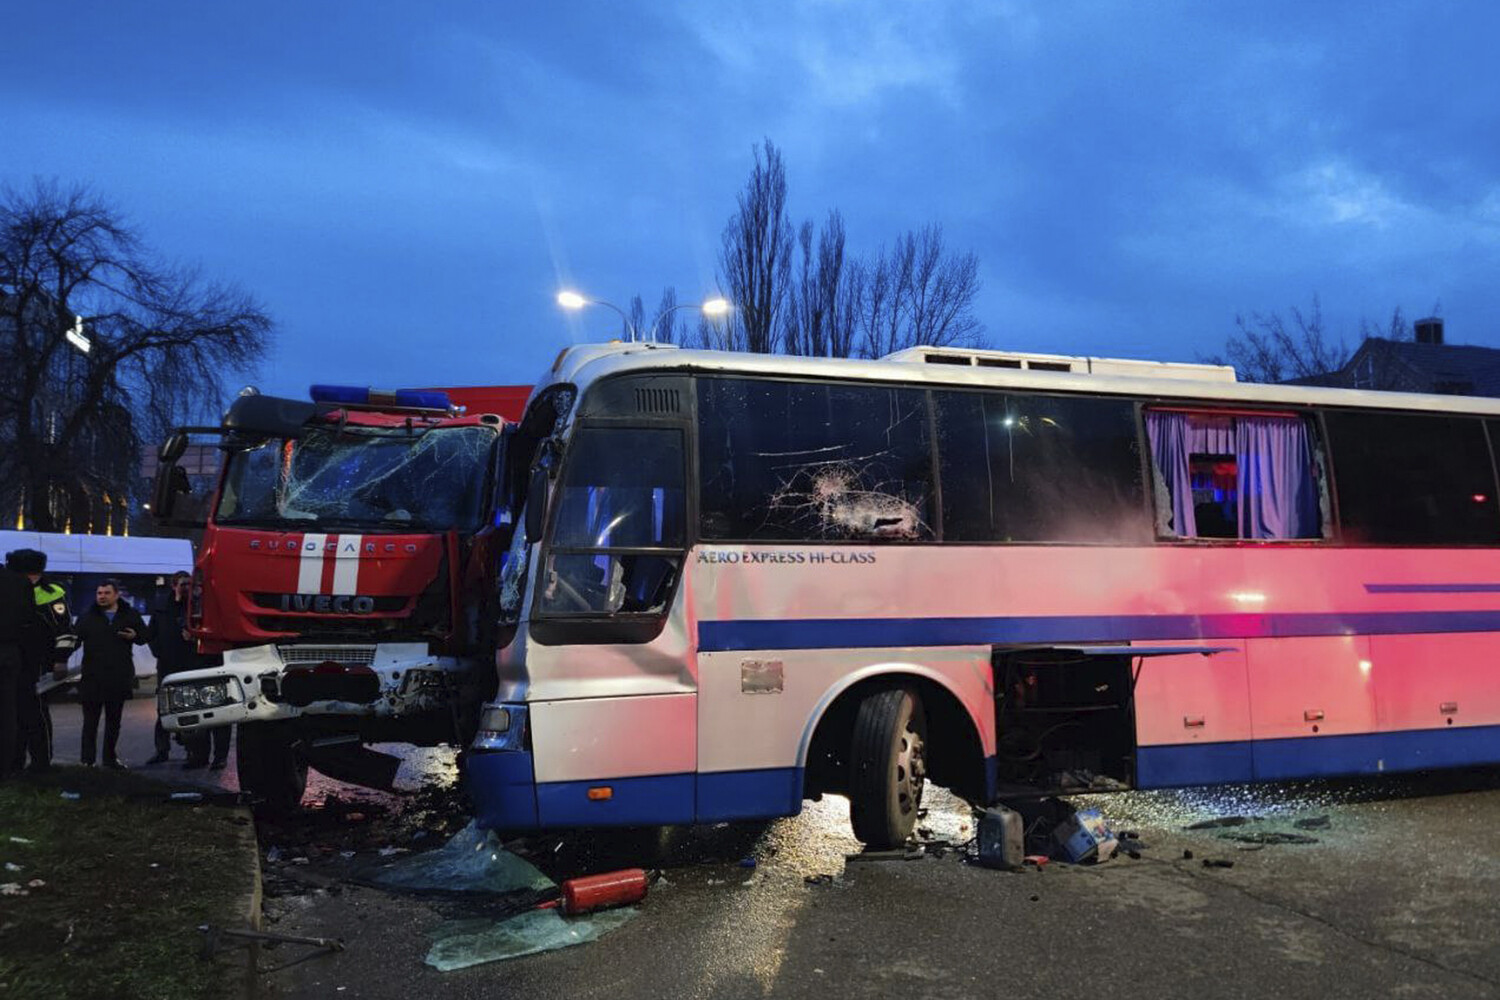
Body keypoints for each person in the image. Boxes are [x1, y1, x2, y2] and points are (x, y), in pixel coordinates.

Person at [147, 571, 229, 769]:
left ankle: (211, 756)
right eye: (183, 584)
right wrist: (161, 652)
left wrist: (197, 640)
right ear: (174, 585)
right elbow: (152, 634)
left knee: (207, 713)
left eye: (190, 585)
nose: (187, 589)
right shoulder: (162, 607)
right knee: (166, 710)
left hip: (199, 664)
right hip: (170, 665)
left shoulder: (202, 606)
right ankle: (165, 750)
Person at [6, 549, 77, 772]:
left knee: (35, 714)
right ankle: (14, 762)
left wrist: (60, 660)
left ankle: (41, 763)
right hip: (15, 661)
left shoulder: (51, 593)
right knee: (12, 715)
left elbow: (64, 630)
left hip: (38, 663)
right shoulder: (13, 591)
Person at [74, 579, 148, 769]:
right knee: (90, 722)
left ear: (116, 595)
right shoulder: (87, 617)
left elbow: (145, 636)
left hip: (118, 676)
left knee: (114, 722)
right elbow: (74, 640)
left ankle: (109, 758)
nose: (102, 597)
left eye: (106, 593)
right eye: (99, 593)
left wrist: (135, 636)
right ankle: (87, 760)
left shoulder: (129, 615)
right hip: (92, 677)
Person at [0, 558, 34, 781]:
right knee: (6, 713)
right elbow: (28, 620)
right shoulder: (19, 583)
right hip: (9, 653)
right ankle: (5, 769)